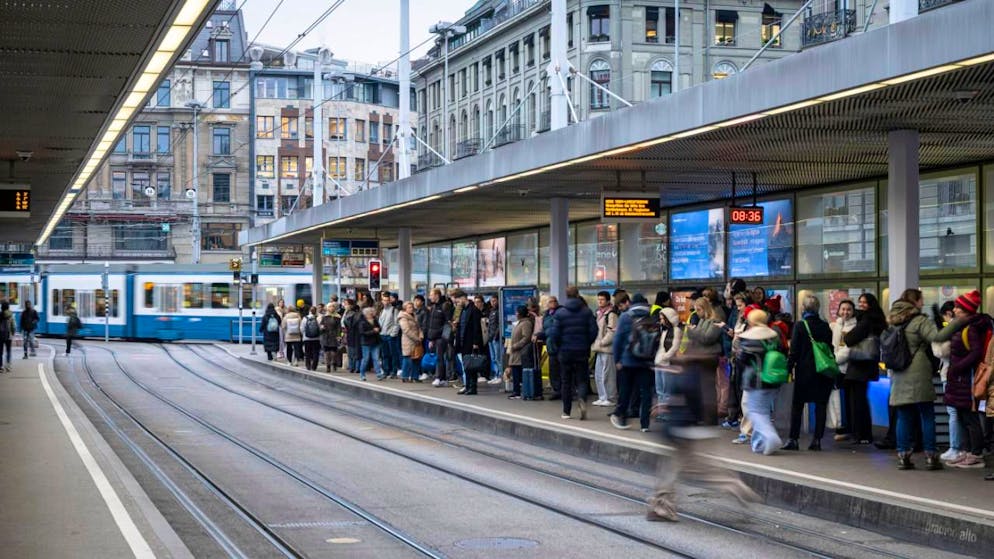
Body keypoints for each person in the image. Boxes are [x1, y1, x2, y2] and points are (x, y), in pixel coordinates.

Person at [888, 289, 943, 470]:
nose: (922, 303)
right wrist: (942, 322)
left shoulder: (893, 320)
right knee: (926, 414)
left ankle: (903, 456)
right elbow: (936, 337)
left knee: (903, 416)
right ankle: (931, 456)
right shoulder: (920, 320)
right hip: (918, 369)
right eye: (921, 300)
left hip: (899, 371)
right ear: (916, 302)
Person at [938, 290, 990, 469]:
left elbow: (975, 352)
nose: (955, 309)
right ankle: (967, 451)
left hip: (965, 377)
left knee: (970, 416)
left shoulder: (970, 328)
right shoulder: (963, 326)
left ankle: (975, 453)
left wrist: (958, 367)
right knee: (962, 414)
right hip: (959, 377)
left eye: (958, 307)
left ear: (965, 310)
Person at [783, 296, 835, 451]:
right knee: (820, 405)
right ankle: (817, 440)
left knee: (798, 405)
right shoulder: (825, 326)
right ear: (818, 309)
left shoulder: (800, 326)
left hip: (805, 372)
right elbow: (829, 349)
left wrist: (788, 368)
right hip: (823, 371)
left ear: (803, 308)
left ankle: (793, 439)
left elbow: (794, 352)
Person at [734, 309, 785, 455]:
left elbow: (741, 359)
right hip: (773, 380)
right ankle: (759, 444)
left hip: (755, 381)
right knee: (763, 412)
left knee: (755, 412)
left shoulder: (751, 338)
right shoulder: (774, 335)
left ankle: (771, 437)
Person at [546, 286, 598, 420]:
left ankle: (566, 411)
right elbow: (594, 331)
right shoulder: (586, 312)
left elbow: (554, 334)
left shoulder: (560, 313)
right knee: (582, 379)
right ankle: (581, 398)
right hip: (582, 351)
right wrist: (587, 343)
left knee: (566, 381)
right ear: (578, 295)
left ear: (566, 296)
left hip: (565, 352)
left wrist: (559, 347)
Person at [844, 293, 888, 446]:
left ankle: (861, 434)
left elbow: (849, 339)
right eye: (860, 302)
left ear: (870, 304)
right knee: (861, 399)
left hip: (859, 365)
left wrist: (847, 333)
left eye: (864, 302)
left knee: (857, 401)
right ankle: (863, 433)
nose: (861, 305)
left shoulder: (866, 320)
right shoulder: (876, 319)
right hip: (868, 365)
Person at [610, 294, 656, 431]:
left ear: (631, 303)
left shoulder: (625, 317)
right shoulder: (651, 317)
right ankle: (645, 424)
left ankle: (621, 417)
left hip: (628, 360)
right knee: (646, 392)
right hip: (646, 361)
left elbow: (617, 340)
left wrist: (617, 359)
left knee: (625, 390)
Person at [682, 297, 725, 426]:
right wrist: (694, 332)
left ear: (705, 308)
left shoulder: (715, 321)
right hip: (700, 356)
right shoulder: (702, 321)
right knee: (700, 388)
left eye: (699, 309)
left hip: (710, 357)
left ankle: (710, 418)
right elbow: (699, 337)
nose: (697, 312)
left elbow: (707, 338)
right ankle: (701, 415)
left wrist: (692, 331)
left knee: (708, 388)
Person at [831, 300, 858, 442]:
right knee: (838, 399)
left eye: (848, 309)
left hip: (847, 367)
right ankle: (841, 426)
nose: (845, 312)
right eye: (843, 309)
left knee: (847, 400)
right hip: (837, 367)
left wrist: (833, 360)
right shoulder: (836, 325)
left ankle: (847, 428)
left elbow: (847, 350)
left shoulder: (855, 326)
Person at [453, 290, 484, 395]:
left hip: (470, 341)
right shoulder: (462, 310)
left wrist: (475, 342)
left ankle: (472, 387)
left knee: (471, 365)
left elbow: (477, 327)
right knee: (467, 365)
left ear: (463, 298)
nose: (457, 304)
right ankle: (467, 386)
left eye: (457, 301)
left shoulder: (473, 310)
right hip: (462, 341)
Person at [592, 291, 619, 407]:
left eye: (602, 299)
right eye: (598, 299)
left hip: (607, 349)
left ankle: (611, 398)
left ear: (608, 301)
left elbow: (611, 333)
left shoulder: (611, 314)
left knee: (608, 375)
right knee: (598, 374)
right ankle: (602, 396)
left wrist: (602, 342)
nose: (600, 301)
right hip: (599, 348)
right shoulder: (598, 313)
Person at [654, 307, 683, 411]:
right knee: (659, 389)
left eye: (662, 318)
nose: (661, 321)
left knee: (667, 390)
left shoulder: (677, 330)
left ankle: (666, 411)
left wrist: (664, 357)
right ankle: (661, 410)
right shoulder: (664, 330)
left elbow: (674, 347)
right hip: (659, 363)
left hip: (668, 364)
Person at [534, 296, 562, 399]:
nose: (553, 303)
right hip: (551, 345)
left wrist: (541, 334)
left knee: (562, 370)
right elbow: (546, 329)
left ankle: (565, 391)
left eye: (555, 301)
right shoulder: (546, 315)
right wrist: (538, 334)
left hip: (561, 345)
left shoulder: (561, 312)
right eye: (550, 301)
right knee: (553, 370)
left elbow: (554, 329)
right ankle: (556, 390)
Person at [427, 289, 454, 387]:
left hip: (442, 337)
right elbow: (431, 325)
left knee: (440, 357)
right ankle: (441, 378)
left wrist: (445, 337)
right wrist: (431, 338)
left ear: (437, 295)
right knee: (439, 357)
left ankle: (439, 377)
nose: (430, 297)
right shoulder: (434, 307)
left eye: (431, 295)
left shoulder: (445, 306)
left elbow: (448, 323)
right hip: (435, 336)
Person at [507, 305, 535, 399]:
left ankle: (518, 391)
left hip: (520, 351)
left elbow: (526, 337)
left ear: (520, 313)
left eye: (517, 312)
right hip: (516, 352)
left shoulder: (526, 323)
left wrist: (516, 345)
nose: (515, 314)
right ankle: (516, 391)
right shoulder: (520, 323)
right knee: (515, 372)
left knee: (518, 372)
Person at [398, 302, 423, 383]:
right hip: (408, 341)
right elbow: (406, 330)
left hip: (416, 340)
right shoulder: (403, 317)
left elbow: (419, 327)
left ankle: (415, 377)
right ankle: (405, 376)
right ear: (405, 308)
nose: (411, 308)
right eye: (409, 307)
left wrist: (421, 335)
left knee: (416, 358)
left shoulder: (414, 315)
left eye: (412, 307)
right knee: (407, 358)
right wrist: (416, 338)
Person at [357, 307, 382, 382]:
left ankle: (378, 374)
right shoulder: (362, 322)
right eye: (369, 312)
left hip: (375, 342)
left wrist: (378, 330)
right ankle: (362, 374)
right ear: (366, 314)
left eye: (372, 312)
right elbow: (362, 333)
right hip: (366, 343)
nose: (371, 314)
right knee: (366, 359)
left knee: (376, 359)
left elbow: (379, 328)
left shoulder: (375, 320)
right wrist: (373, 331)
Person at [486, 295, 503, 384]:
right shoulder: (491, 311)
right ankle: (496, 375)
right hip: (490, 337)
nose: (493, 302)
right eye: (492, 301)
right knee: (493, 358)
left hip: (496, 338)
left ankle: (500, 375)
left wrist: (496, 335)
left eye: (495, 301)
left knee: (498, 357)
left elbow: (500, 324)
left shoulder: (500, 311)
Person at [342, 299, 362, 374]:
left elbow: (345, 324)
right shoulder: (359, 315)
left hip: (349, 334)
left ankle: (351, 367)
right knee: (357, 353)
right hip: (357, 335)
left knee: (350, 352)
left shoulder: (347, 315)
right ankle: (357, 368)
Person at [320, 303, 342, 372]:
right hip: (326, 336)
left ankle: (334, 363)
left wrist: (339, 335)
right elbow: (321, 324)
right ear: (327, 308)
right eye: (330, 307)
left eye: (333, 307)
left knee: (333, 352)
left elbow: (339, 327)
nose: (331, 308)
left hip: (334, 336)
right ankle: (328, 366)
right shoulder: (325, 316)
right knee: (327, 352)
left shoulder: (337, 317)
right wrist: (321, 327)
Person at [302, 306, 322, 371]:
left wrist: (304, 335)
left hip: (306, 338)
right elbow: (320, 328)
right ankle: (314, 366)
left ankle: (308, 365)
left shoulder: (305, 318)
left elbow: (302, 328)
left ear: (309, 311)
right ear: (315, 311)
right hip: (316, 338)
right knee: (315, 352)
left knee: (307, 352)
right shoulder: (318, 318)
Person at [0, 302, 14, 371]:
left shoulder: (0, 314)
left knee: (0, 351)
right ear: (8, 307)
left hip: (0, 335)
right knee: (8, 351)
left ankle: (1, 367)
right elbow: (13, 326)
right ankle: (8, 366)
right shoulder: (10, 315)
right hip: (8, 335)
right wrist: (13, 333)